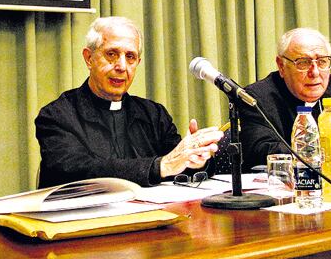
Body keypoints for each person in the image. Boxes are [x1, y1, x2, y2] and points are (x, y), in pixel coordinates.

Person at [35, 17, 224, 188]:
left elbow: (175, 162)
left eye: (130, 57)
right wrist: (159, 166)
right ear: (89, 58)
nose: (122, 66)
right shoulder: (57, 115)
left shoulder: (153, 114)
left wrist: (195, 159)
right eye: (111, 54)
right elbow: (76, 171)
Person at [238, 28, 331, 174]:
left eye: (322, 62)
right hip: (286, 193)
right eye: (303, 63)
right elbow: (261, 151)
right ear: (281, 66)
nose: (315, 72)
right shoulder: (256, 98)